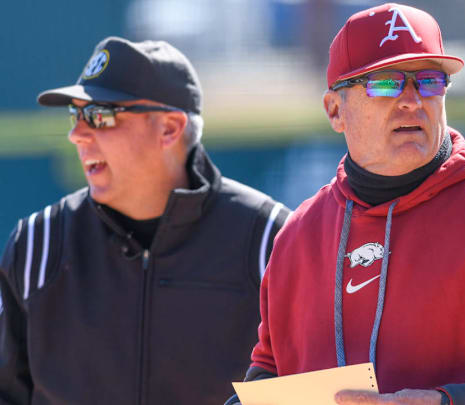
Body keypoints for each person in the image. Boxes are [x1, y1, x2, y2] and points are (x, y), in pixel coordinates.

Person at [232, 3, 465, 405]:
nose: (412, 100)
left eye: (430, 81)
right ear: (334, 110)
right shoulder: (300, 234)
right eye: (385, 83)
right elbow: (271, 375)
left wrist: (448, 403)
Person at [0, 37, 291, 404]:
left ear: (169, 128)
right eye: (75, 116)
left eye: (99, 115)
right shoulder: (37, 246)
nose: (77, 134)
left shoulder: (272, 241)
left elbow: (317, 386)